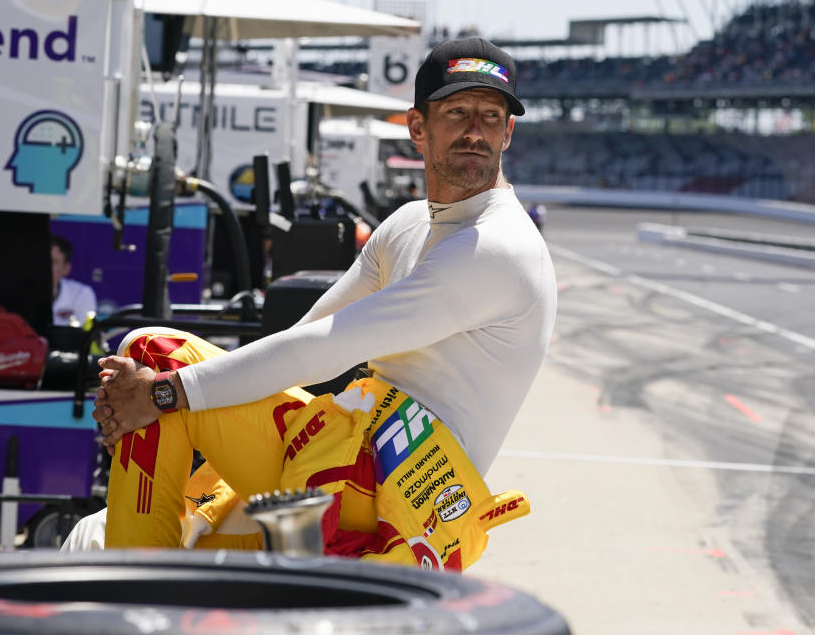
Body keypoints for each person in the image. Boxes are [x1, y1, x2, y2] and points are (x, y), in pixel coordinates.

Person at [85, 37, 556, 571]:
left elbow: (326, 349)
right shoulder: (406, 224)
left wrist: (165, 396)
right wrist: (185, 417)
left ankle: (130, 590)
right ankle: (146, 573)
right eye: (457, 113)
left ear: (508, 132)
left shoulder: (496, 246)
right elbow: (305, 336)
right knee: (202, 542)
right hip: (342, 459)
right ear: (418, 128)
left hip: (396, 501)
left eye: (491, 117)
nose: (476, 131)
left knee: (154, 355)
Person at [51, 234, 97, 327]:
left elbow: (86, 337)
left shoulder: (82, 294)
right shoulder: (17, 293)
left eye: (53, 262)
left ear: (66, 268)